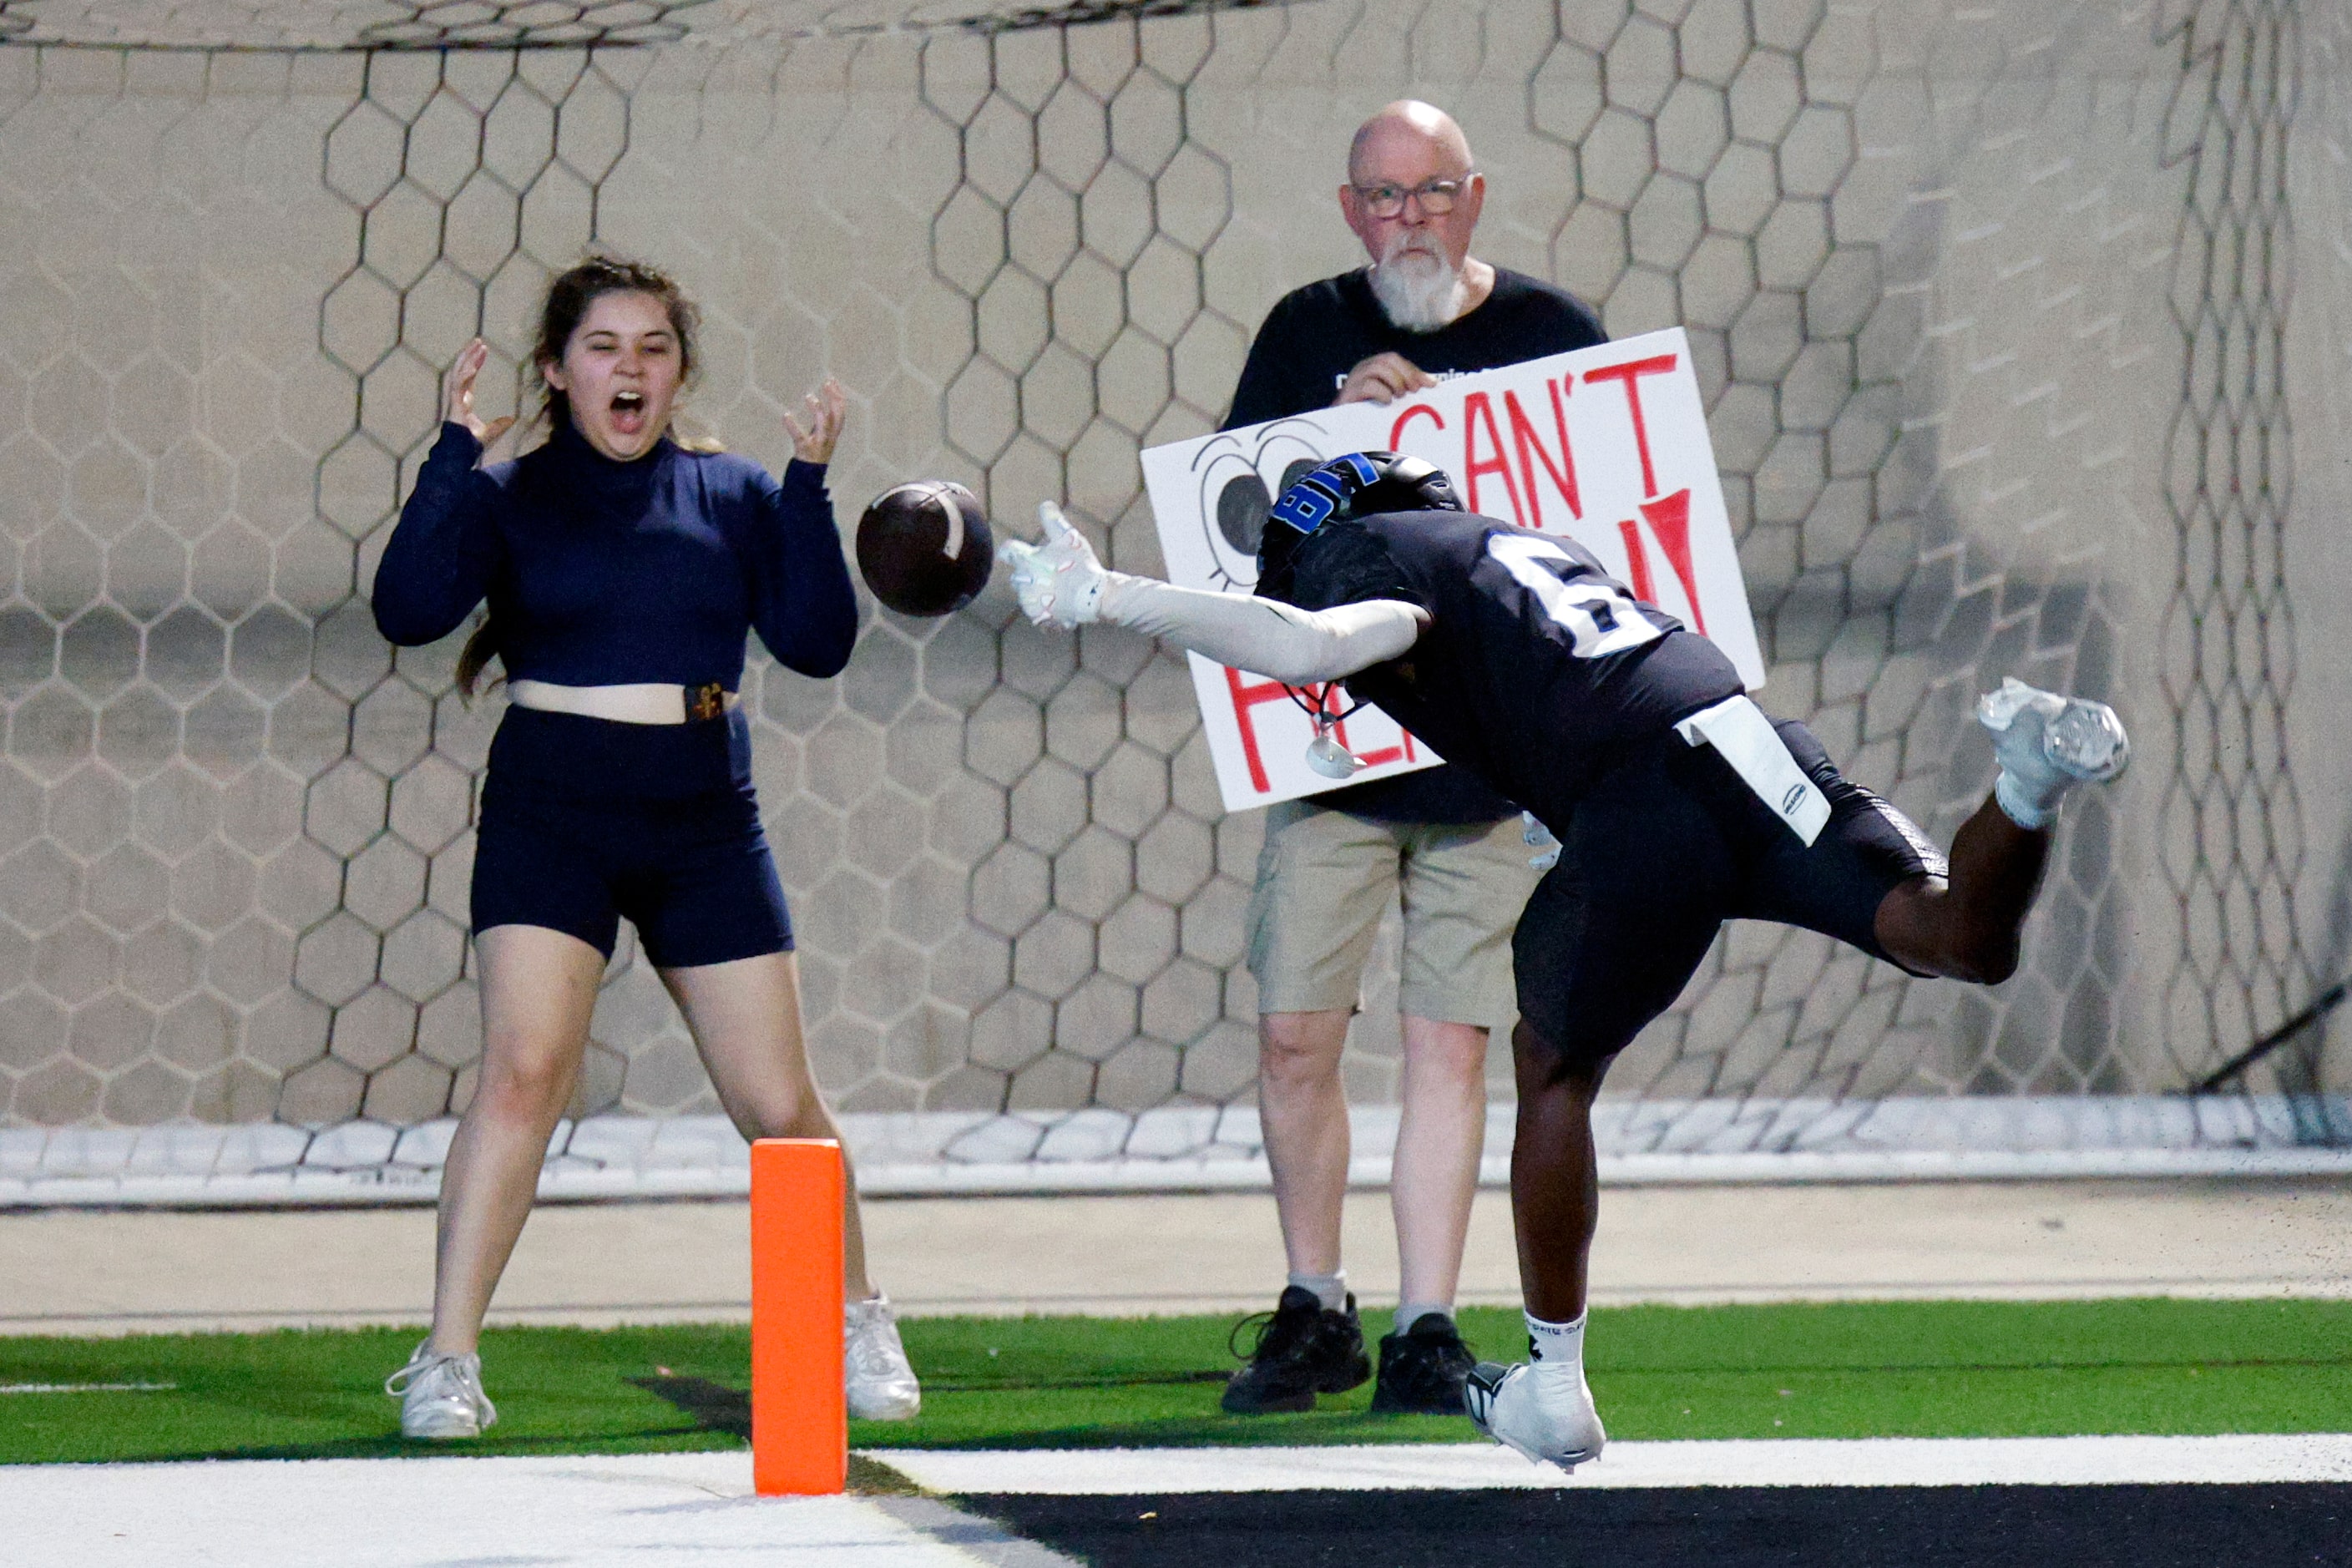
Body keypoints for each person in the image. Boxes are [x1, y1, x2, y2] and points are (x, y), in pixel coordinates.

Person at [1000, 452, 2128, 1469]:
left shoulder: (1370, 552)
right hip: (1743, 739)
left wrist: (1109, 597)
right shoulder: (1515, 545)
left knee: (1551, 1061)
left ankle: (1551, 1382)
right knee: (1948, 935)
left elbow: (1313, 643)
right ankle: (2025, 784)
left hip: (1639, 796)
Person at [370, 255, 920, 1439]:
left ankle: (855, 1316)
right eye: (605, 347)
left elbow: (817, 642)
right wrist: (452, 460)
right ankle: (446, 1358)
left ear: (678, 373)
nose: (630, 368)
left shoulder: (732, 493)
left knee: (778, 1100)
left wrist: (812, 487)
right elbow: (407, 608)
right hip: (550, 808)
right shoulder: (510, 491)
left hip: (701, 817)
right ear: (560, 371)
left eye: (653, 348)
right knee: (522, 1072)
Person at [1215, 100, 1609, 1418]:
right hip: (1336, 752)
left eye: (1432, 192)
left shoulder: (1552, 340)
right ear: (1347, 212)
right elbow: (1241, 542)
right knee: (1291, 1033)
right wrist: (1334, 433)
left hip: (1491, 761)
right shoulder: (1301, 334)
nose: (1409, 219)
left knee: (1450, 1041)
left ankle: (1425, 1325)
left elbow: (1601, 559)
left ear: (1475, 195)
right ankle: (1311, 1300)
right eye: (1383, 198)